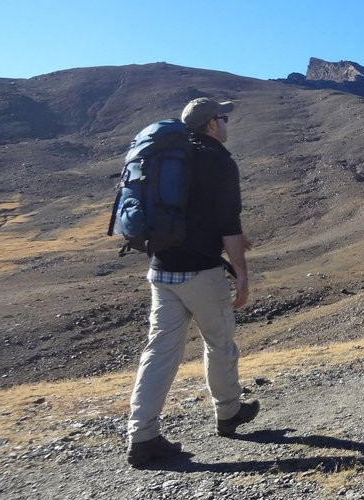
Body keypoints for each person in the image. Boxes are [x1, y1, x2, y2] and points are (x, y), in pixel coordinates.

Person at [126, 97, 259, 467]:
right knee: (219, 343)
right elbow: (228, 226)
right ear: (212, 124)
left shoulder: (169, 155)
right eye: (224, 117)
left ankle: (142, 437)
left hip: (160, 269)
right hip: (201, 272)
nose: (227, 122)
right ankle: (229, 412)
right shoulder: (218, 160)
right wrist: (243, 274)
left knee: (158, 353)